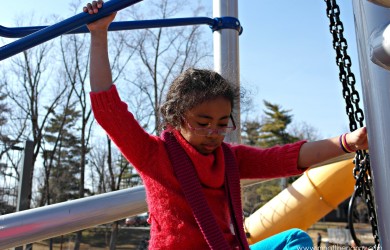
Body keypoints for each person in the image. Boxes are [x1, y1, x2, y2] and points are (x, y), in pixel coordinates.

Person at [83, 1, 369, 249]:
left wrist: (348, 142)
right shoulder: (154, 155)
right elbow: (110, 112)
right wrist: (99, 35)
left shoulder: (230, 159)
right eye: (203, 123)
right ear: (177, 118)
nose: (214, 133)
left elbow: (288, 157)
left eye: (222, 123)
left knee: (295, 239)